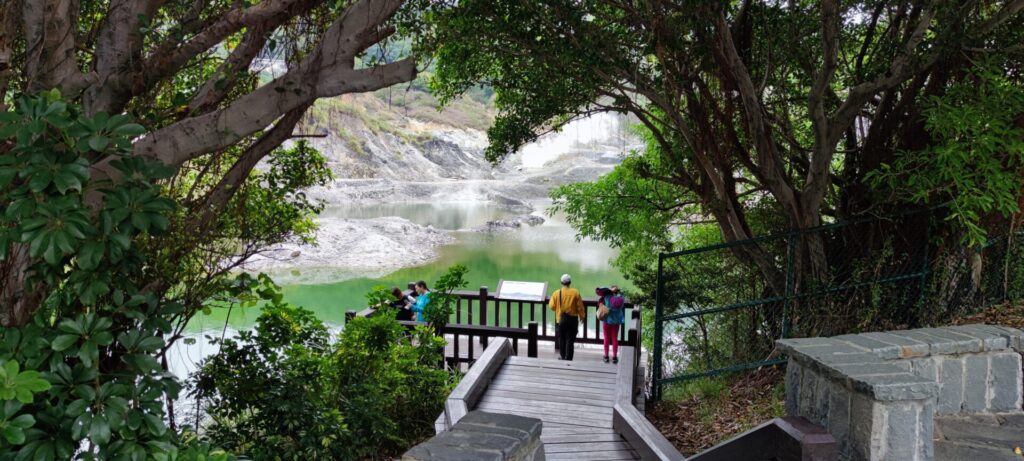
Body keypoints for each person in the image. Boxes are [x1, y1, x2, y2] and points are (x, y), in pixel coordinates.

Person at [549, 274, 585, 360]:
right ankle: (568, 358)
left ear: (561, 282)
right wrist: (582, 317)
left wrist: (558, 309)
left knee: (562, 339)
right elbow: (580, 307)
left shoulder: (557, 293)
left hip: (560, 319)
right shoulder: (575, 292)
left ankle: (562, 356)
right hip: (572, 320)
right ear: (570, 282)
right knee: (570, 340)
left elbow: (551, 306)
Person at [597, 286, 627, 364]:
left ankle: (606, 356)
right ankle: (614, 357)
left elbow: (600, 302)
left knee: (606, 338)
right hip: (616, 322)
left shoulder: (607, 297)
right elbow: (622, 295)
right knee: (614, 339)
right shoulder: (621, 299)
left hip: (607, 321)